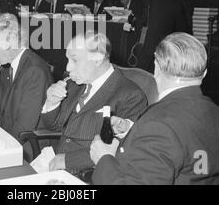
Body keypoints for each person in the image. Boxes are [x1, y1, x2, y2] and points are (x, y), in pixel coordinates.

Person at [91, 33, 219, 185]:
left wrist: (103, 160)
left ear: (157, 67)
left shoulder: (158, 124)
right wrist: (131, 129)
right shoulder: (214, 111)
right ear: (204, 73)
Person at [40, 31, 147, 173]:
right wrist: (52, 102)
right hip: (53, 165)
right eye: (67, 60)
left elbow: (118, 147)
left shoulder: (131, 95)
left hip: (87, 174)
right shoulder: (75, 85)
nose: (67, 68)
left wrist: (66, 161)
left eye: (75, 60)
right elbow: (52, 126)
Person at [0, 14, 53, 158]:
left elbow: (24, 128)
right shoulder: (13, 65)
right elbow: (8, 106)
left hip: (27, 148)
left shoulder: (34, 70)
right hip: (10, 135)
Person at [138, 0, 189, 73]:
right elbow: (181, 28)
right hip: (166, 44)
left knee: (143, 73)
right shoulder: (176, 4)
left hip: (148, 43)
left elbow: (142, 21)